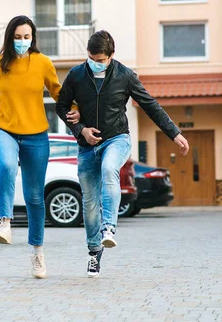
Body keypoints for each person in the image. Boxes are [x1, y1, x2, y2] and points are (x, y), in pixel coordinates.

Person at [56, 30, 189, 278]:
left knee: (109, 170)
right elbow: (61, 106)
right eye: (90, 57)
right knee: (89, 203)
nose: (94, 62)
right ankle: (94, 253)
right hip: (86, 145)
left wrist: (175, 133)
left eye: (99, 59)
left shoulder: (125, 76)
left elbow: (150, 105)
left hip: (117, 139)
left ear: (111, 56)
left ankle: (109, 229)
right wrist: (80, 129)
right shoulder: (76, 75)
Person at [0, 15, 79, 279]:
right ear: (10, 38)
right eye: (17, 37)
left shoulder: (42, 63)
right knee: (6, 165)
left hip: (36, 135)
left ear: (33, 38)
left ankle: (38, 254)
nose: (22, 42)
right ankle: (5, 223)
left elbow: (58, 93)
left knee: (34, 197)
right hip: (3, 129)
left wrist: (74, 110)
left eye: (26, 37)